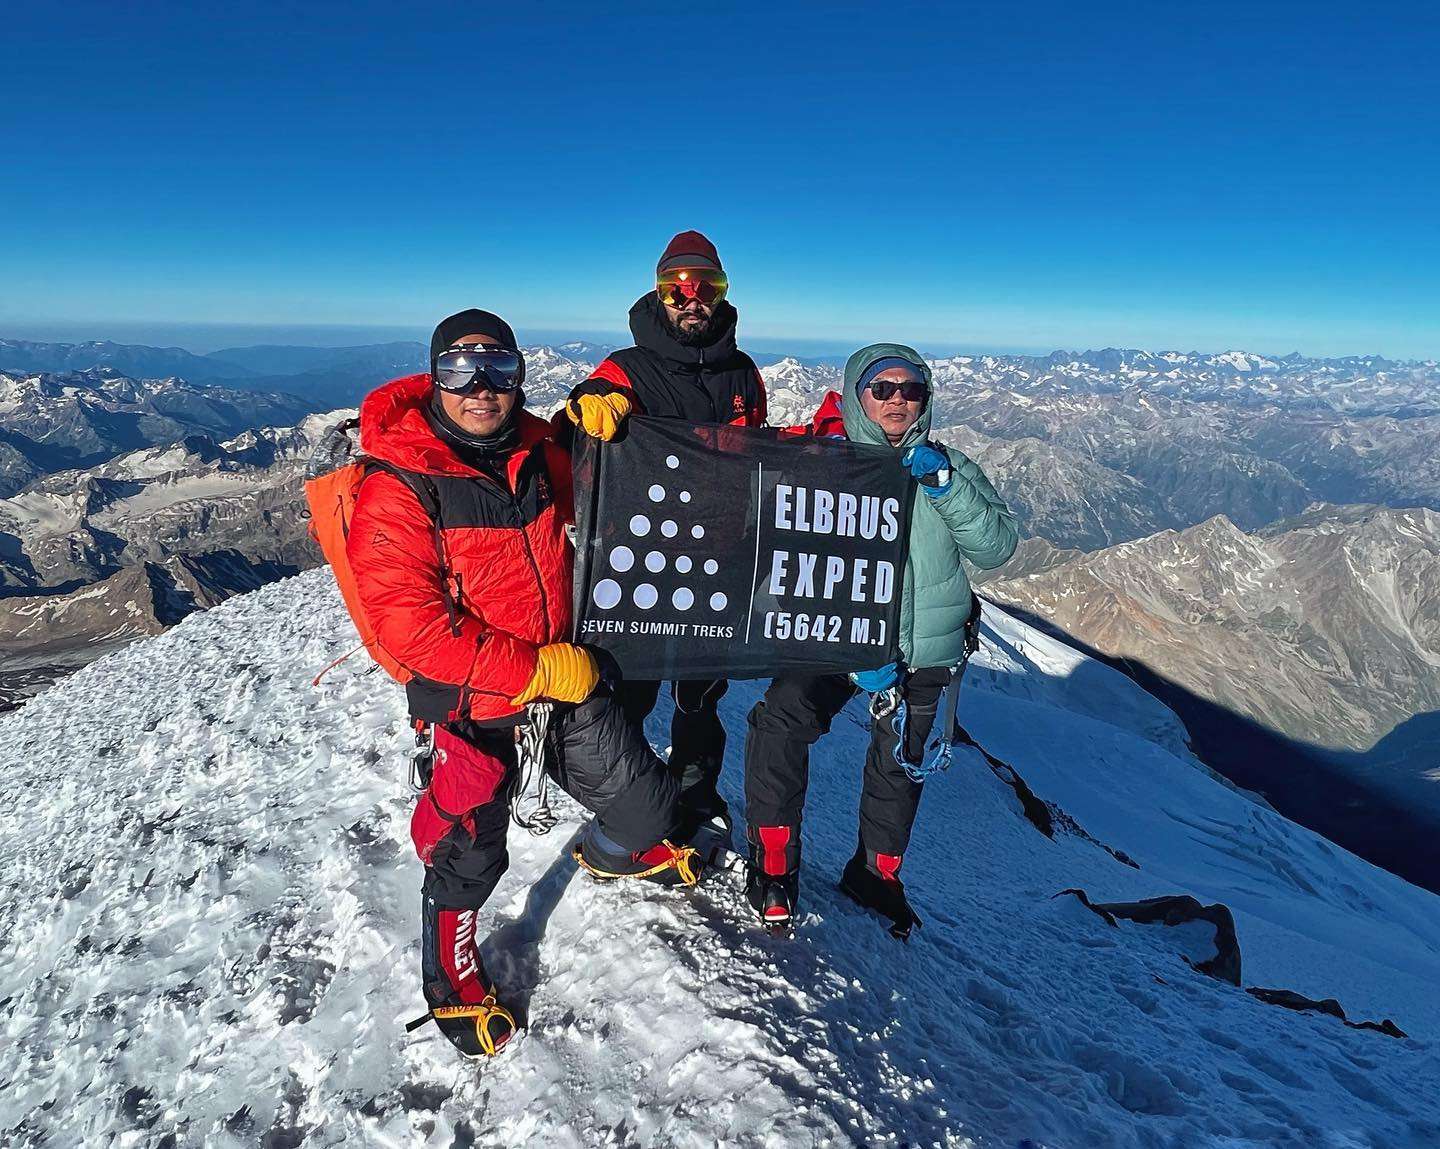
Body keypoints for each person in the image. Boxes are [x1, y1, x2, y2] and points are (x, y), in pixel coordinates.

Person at [346, 309, 700, 1058]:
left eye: (499, 369)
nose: (481, 387)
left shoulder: (539, 453)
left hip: (560, 681)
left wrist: (604, 411)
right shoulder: (403, 482)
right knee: (471, 849)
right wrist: (534, 668)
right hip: (473, 700)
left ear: (519, 376)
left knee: (649, 805)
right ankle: (450, 984)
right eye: (460, 369)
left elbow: (614, 482)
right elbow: (411, 627)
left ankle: (615, 848)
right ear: (434, 375)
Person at [742, 343, 1018, 938]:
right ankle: (773, 861)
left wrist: (945, 487)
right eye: (883, 388)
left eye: (911, 388)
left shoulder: (950, 467)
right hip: (835, 635)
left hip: (925, 643)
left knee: (902, 761)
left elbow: (995, 549)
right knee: (782, 722)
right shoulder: (825, 463)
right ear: (856, 396)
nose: (898, 400)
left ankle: (877, 875)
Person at [564, 231, 768, 836]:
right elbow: (596, 396)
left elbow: (755, 452)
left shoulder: (743, 375)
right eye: (675, 286)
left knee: (700, 695)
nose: (691, 297)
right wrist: (588, 404)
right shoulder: (631, 368)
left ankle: (697, 797)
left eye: (707, 286)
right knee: (632, 690)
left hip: (718, 560)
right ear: (658, 293)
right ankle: (632, 805)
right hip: (643, 566)